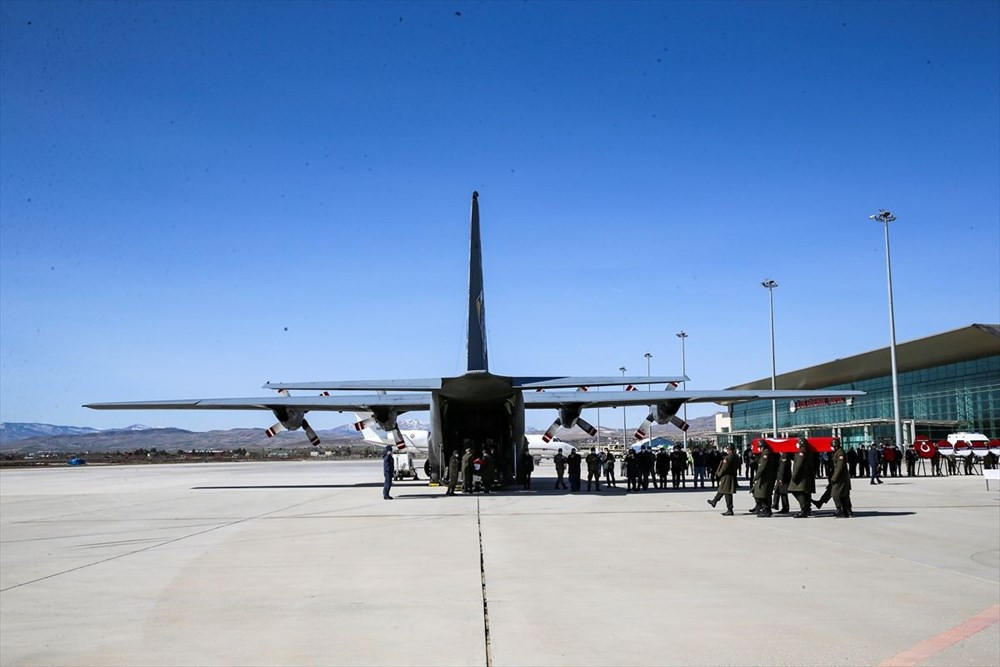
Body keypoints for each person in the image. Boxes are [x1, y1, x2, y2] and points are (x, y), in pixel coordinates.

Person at [707, 444, 739, 515]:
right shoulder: (735, 457)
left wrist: (719, 474)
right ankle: (714, 501)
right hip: (732, 475)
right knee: (722, 489)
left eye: (727, 449)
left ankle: (729, 509)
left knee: (727, 493)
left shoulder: (727, 458)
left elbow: (724, 468)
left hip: (726, 477)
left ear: (729, 450)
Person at [788, 437, 815, 518]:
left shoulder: (802, 452)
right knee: (804, 492)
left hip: (801, 476)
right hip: (806, 476)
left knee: (797, 491)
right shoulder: (807, 451)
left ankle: (804, 509)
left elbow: (798, 465)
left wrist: (794, 476)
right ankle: (807, 508)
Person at [751, 442, 778, 517]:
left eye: (760, 447)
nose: (759, 448)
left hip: (765, 478)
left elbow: (762, 467)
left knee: (761, 494)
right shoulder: (764, 454)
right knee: (762, 494)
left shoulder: (766, 454)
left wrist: (756, 477)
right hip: (764, 477)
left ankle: (766, 510)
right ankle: (766, 509)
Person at [830, 438, 853, 517]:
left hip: (841, 478)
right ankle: (847, 511)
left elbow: (839, 467)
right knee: (844, 495)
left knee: (835, 493)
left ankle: (840, 509)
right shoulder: (837, 452)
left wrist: (834, 478)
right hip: (840, 477)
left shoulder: (840, 453)